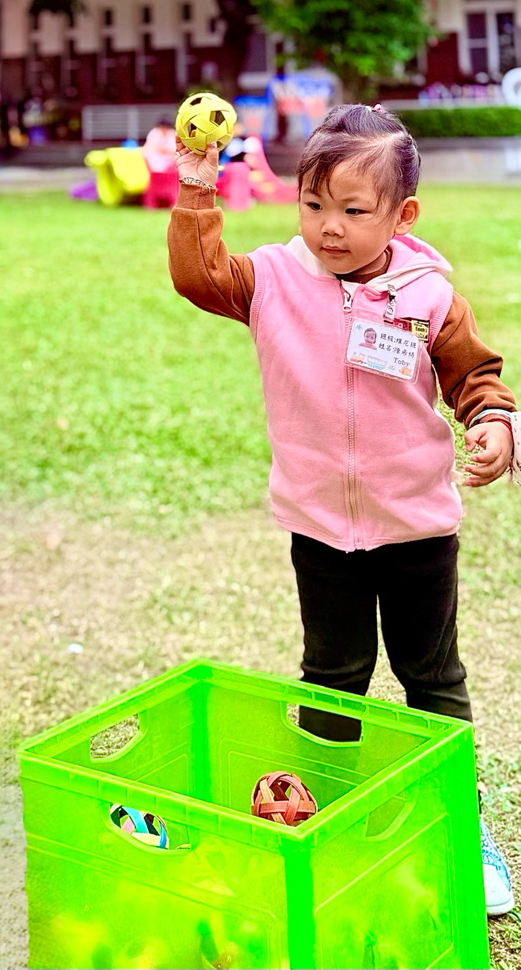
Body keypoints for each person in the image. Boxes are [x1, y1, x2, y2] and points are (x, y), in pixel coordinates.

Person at [168, 102, 517, 917]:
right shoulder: (273, 279)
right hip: (320, 528)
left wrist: (496, 425)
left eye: (354, 211)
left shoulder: (429, 296)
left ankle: (457, 825)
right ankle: (323, 819)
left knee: (432, 679)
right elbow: (198, 275)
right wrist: (196, 187)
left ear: (402, 215)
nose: (329, 227)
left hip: (416, 527)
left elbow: (475, 377)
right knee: (331, 679)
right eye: (313, 204)